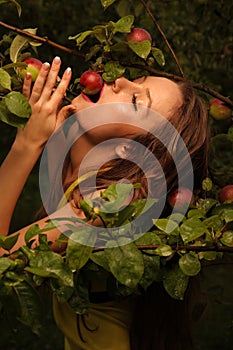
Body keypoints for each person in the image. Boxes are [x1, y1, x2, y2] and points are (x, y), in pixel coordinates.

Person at [0, 55, 209, 350]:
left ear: (129, 149)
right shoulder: (87, 178)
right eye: (135, 81)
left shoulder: (114, 203)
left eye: (135, 101)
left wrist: (26, 144)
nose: (118, 80)